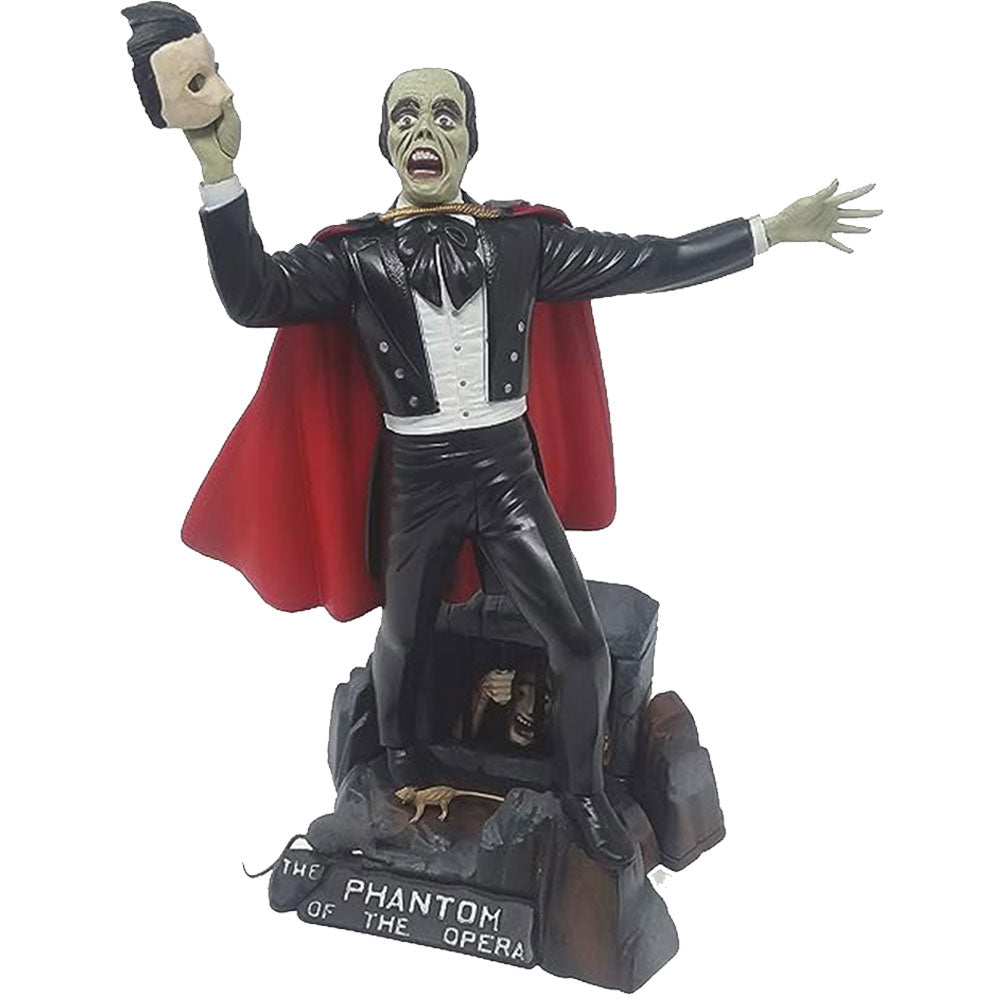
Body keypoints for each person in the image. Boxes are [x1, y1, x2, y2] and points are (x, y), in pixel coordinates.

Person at [174, 66, 880, 868]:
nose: (424, 130)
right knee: (401, 638)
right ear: (385, 142)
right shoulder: (356, 255)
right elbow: (254, 296)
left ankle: (582, 791)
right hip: (417, 476)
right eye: (406, 116)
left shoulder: (521, 239)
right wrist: (218, 170)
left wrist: (767, 230)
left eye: (445, 115)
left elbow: (650, 261)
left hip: (506, 472)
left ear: (471, 140)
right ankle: (402, 768)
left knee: (579, 643)